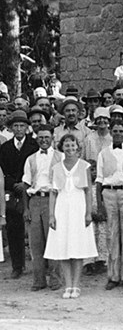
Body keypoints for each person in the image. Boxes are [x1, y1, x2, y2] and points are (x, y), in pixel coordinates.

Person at [44, 134, 98, 298]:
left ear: (77, 147)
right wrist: (52, 215)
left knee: (77, 247)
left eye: (72, 145)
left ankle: (76, 285)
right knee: (63, 247)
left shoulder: (84, 166)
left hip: (78, 206)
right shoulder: (56, 168)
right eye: (66, 145)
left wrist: (88, 212)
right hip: (62, 207)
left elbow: (88, 190)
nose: (70, 148)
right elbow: (53, 193)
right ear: (62, 147)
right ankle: (68, 285)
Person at [96, 119, 123, 290]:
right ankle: (113, 275)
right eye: (115, 131)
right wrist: (99, 203)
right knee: (112, 234)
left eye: (121, 131)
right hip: (109, 193)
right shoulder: (103, 153)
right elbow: (99, 179)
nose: (118, 133)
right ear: (111, 133)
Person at [0, 109, 39, 278]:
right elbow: (2, 171)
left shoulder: (34, 145)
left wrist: (25, 183)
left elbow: (38, 168)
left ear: (26, 128)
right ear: (11, 128)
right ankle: (18, 265)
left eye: (22, 126)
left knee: (34, 228)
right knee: (14, 229)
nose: (18, 129)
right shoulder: (5, 147)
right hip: (12, 190)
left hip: (29, 189)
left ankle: (39, 265)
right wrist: (13, 184)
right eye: (15, 126)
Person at [22, 124, 61, 291]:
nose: (44, 140)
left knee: (53, 241)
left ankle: (55, 280)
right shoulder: (31, 159)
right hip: (35, 201)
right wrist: (26, 208)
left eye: (47, 137)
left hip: (53, 200)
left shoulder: (61, 157)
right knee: (36, 243)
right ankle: (38, 280)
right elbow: (25, 184)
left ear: (52, 138)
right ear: (36, 138)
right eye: (41, 137)